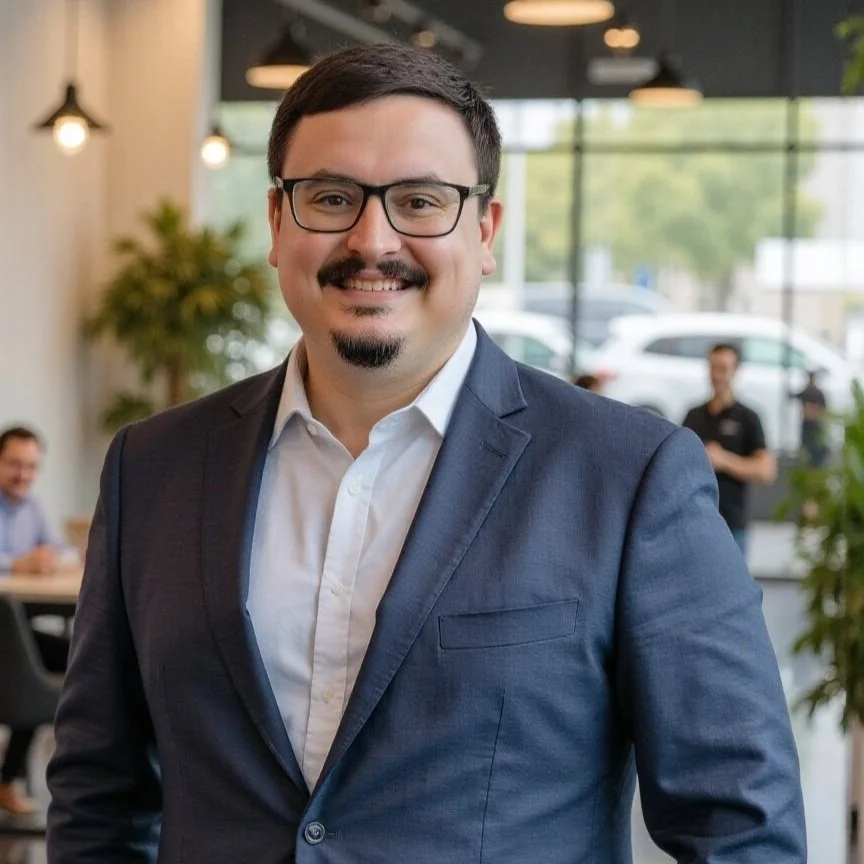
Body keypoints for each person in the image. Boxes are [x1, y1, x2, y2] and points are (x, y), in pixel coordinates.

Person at [46, 45, 805, 862]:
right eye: (330, 197)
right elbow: (99, 797)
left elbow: (739, 827)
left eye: (419, 201)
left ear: (485, 230)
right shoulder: (153, 467)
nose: (372, 240)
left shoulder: (626, 475)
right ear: (276, 223)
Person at [0, 425, 74, 815]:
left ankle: (11, 779)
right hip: (6, 626)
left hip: (16, 627)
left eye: (31, 467)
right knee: (29, 672)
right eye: (15, 464)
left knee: (81, 655)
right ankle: (8, 780)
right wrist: (17, 563)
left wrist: (50, 559)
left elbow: (61, 550)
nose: (23, 474)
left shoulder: (31, 506)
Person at [682, 344, 777, 556]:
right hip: (695, 522)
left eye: (723, 368)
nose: (717, 375)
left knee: (733, 589)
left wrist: (723, 460)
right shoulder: (693, 416)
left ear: (736, 371)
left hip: (732, 525)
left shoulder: (748, 418)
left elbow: (766, 471)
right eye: (713, 367)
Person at [792, 369, 829, 467]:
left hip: (815, 423)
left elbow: (823, 408)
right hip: (807, 423)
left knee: (814, 446)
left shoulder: (817, 393)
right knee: (805, 446)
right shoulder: (807, 391)